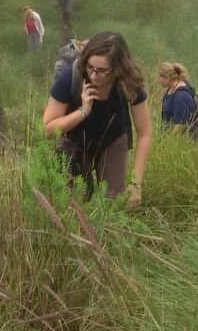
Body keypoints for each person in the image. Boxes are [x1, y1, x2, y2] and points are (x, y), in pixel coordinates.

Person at [42, 31, 152, 208]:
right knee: (71, 203)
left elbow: (145, 133)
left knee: (114, 204)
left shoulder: (128, 83)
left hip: (113, 139)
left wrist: (135, 183)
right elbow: (48, 129)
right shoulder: (72, 76)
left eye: (102, 71)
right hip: (75, 141)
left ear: (117, 69)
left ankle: (107, 232)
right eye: (90, 67)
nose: (93, 75)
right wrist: (83, 111)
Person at [158, 61, 198, 134]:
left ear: (169, 77)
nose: (159, 80)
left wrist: (168, 142)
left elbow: (180, 125)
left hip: (184, 140)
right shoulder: (170, 90)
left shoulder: (182, 96)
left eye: (162, 76)